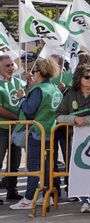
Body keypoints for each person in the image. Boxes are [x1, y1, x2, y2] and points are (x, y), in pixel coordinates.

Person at [56, 64, 90, 213]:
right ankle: (84, 200)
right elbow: (59, 116)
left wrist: (87, 119)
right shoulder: (70, 95)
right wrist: (74, 119)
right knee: (78, 170)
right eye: (87, 77)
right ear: (79, 78)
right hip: (75, 139)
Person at [10, 57, 62, 211]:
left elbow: (28, 109)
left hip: (36, 133)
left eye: (34, 71)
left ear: (39, 72)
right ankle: (46, 195)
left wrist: (21, 98)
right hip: (49, 132)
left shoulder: (39, 90)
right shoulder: (55, 89)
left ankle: (28, 198)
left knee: (34, 167)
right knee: (46, 166)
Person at [0, 54, 24, 203]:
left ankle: (12, 191)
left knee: (14, 162)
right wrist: (17, 118)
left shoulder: (19, 83)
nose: (10, 68)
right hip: (2, 128)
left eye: (11, 65)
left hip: (17, 129)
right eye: (6, 66)